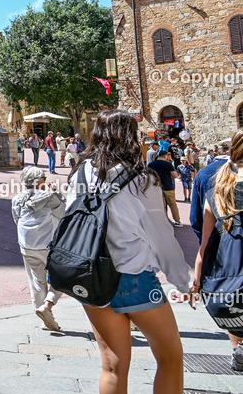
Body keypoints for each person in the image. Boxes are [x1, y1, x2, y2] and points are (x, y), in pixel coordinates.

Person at [68, 109, 192, 394]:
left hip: (91, 276)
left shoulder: (81, 174)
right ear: (130, 137)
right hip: (132, 273)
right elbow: (162, 236)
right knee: (170, 357)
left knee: (113, 364)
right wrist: (182, 280)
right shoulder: (140, 180)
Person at [192, 131, 243, 370]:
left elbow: (205, 242)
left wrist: (197, 281)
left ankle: (238, 350)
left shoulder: (217, 190)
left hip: (227, 270)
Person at [11, 166, 64, 331]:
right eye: (44, 179)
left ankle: (44, 318)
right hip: (49, 245)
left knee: (37, 282)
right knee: (63, 278)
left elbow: (16, 219)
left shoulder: (17, 199)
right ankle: (48, 306)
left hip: (27, 245)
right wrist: (56, 193)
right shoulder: (51, 197)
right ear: (40, 181)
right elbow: (64, 215)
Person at [148, 150, 182, 227]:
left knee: (161, 205)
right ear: (165, 156)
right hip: (168, 186)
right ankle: (177, 221)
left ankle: (164, 220)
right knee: (172, 204)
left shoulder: (151, 164)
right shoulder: (168, 164)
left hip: (156, 187)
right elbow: (175, 175)